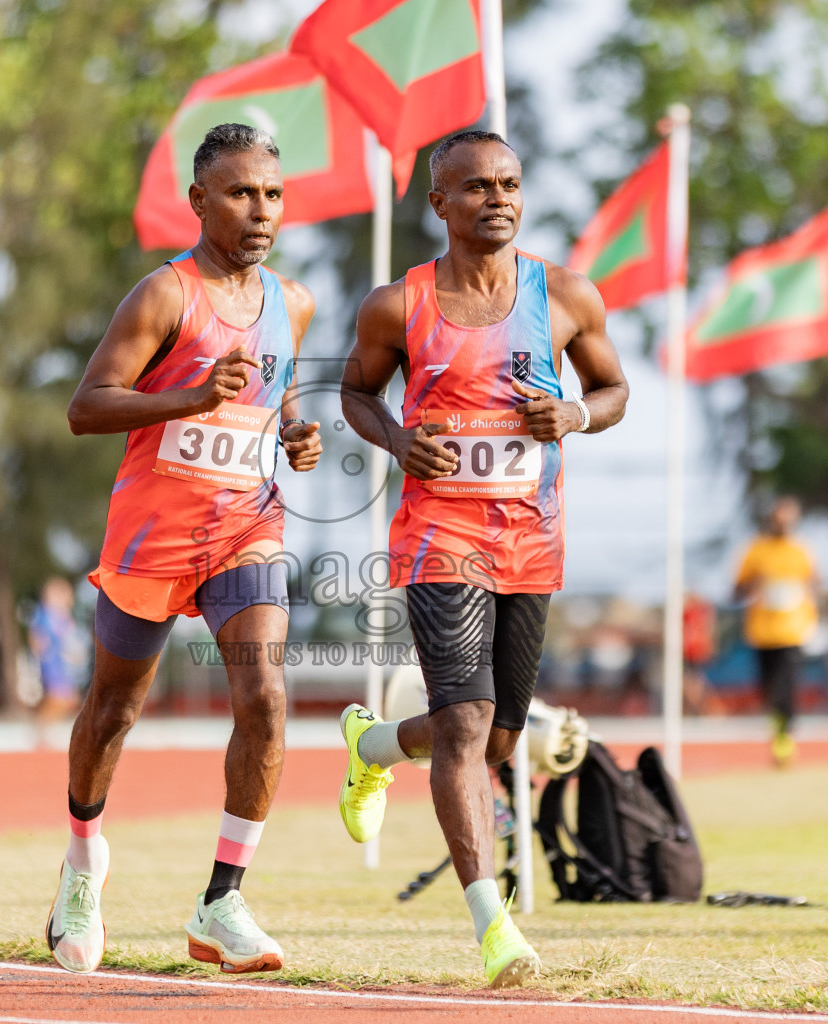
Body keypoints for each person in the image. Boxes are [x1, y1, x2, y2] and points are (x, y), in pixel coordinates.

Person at [335, 130, 628, 987]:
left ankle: (376, 747)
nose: (497, 198)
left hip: (531, 542)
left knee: (499, 738)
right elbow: (356, 390)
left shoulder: (566, 294)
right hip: (438, 536)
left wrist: (574, 416)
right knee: (465, 725)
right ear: (440, 204)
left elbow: (613, 391)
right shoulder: (398, 305)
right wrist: (396, 439)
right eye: (476, 187)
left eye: (509, 184)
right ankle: (492, 924)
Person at [48, 123, 321, 977]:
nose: (260, 210)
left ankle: (222, 900)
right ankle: (83, 859)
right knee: (113, 710)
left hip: (247, 527)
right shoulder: (164, 296)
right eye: (241, 194)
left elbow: (276, 404)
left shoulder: (295, 302)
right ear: (200, 201)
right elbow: (87, 407)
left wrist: (297, 435)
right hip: (152, 536)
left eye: (272, 194)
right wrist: (190, 396)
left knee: (267, 698)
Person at [732, 497, 819, 766]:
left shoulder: (801, 551)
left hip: (792, 632)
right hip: (762, 633)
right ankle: (777, 726)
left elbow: (816, 584)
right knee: (769, 690)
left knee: (787, 688)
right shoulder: (756, 551)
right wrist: (753, 584)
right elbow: (736, 591)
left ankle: (785, 738)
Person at [30, 576, 87, 726]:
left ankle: (44, 727)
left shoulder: (62, 616)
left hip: (63, 664)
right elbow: (37, 638)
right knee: (60, 696)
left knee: (67, 697)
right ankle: (42, 728)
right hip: (52, 663)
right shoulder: (45, 615)